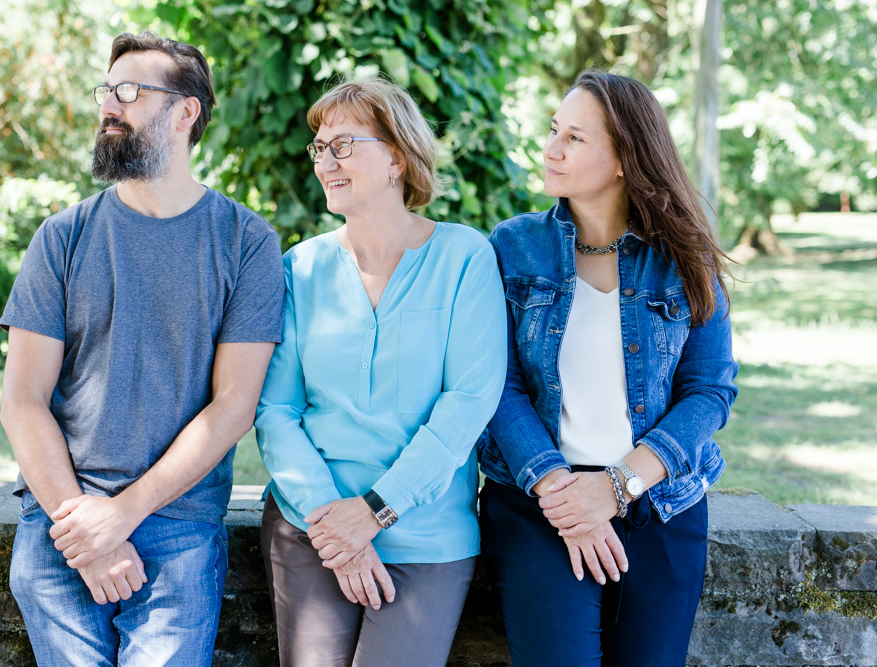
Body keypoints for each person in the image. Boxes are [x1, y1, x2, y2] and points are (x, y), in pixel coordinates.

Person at [0, 31, 284, 665]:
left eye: (130, 92)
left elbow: (234, 406)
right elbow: (22, 401)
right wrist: (86, 528)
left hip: (178, 526)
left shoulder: (248, 243)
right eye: (106, 89)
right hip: (60, 519)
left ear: (187, 113)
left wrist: (124, 515)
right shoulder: (62, 237)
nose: (109, 105)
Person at [478, 70, 739, 666]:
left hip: (660, 504)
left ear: (624, 157)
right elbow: (496, 383)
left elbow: (709, 391)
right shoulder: (513, 247)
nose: (550, 149)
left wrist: (617, 487)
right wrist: (565, 493)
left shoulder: (687, 259)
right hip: (540, 503)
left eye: (574, 138)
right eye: (552, 131)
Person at [254, 77, 506, 667]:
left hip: (425, 532)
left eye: (343, 144)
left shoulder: (464, 258)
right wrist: (332, 521)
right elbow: (274, 411)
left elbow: (468, 402)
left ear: (397, 155)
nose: (325, 161)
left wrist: (373, 512)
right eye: (320, 147)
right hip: (310, 521)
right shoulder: (302, 267)